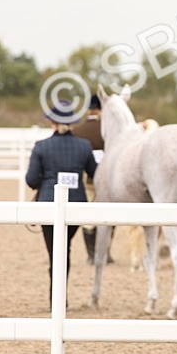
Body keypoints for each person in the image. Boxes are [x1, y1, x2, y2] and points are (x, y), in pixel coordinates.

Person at [26, 99, 97, 303]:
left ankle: (56, 299)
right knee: (64, 249)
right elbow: (93, 173)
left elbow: (31, 179)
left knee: (55, 253)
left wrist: (46, 180)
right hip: (76, 206)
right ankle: (59, 298)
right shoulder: (84, 146)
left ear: (52, 123)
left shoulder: (41, 147)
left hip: (48, 206)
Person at [71, 94, 108, 264]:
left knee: (88, 216)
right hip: (107, 179)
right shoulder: (106, 129)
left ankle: (91, 254)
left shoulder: (77, 131)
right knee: (109, 215)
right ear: (100, 110)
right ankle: (106, 253)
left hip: (86, 178)